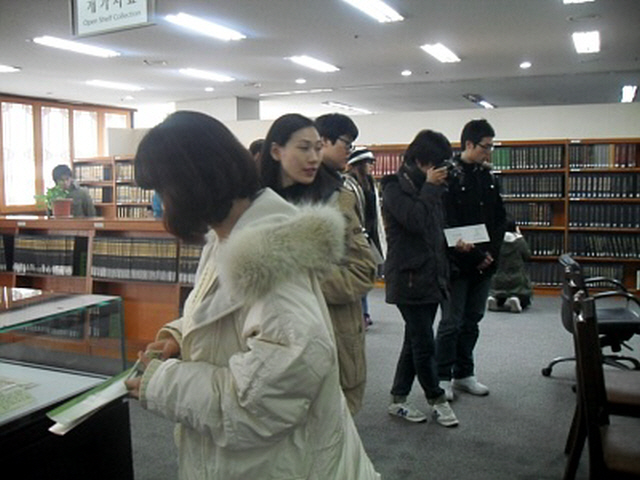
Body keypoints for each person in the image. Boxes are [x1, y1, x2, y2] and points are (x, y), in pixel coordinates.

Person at [124, 111, 380, 480]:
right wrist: (180, 337)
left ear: (191, 186)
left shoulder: (273, 268)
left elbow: (262, 404)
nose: (160, 205)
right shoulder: (227, 237)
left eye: (162, 191)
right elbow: (225, 313)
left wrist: (163, 384)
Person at [260, 113, 376, 415]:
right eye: (304, 148)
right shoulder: (252, 206)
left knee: (330, 429)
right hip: (271, 343)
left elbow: (363, 270)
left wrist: (297, 282)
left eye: (317, 148)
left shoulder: (337, 199)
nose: (313, 157)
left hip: (331, 335)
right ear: (276, 151)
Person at [381, 129, 459, 427]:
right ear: (421, 161)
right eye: (436, 163)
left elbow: (435, 227)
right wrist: (429, 187)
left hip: (432, 275)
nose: (440, 169)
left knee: (414, 341)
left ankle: (398, 399)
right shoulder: (393, 187)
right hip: (408, 279)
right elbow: (415, 221)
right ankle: (437, 400)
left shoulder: (433, 188)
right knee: (424, 343)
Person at [435, 119, 507, 402]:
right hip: (457, 261)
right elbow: (446, 222)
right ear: (468, 144)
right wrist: (476, 255)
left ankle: (464, 373)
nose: (488, 152)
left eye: (491, 147)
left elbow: (499, 219)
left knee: (472, 320)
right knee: (451, 323)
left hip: (484, 263)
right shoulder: (449, 175)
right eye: (485, 147)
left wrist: (491, 254)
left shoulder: (488, 177)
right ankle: (442, 377)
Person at [345, 148, 387, 328]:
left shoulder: (370, 184)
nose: (371, 166)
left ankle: (364, 312)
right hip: (357, 234)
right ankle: (362, 313)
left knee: (366, 274)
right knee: (357, 274)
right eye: (368, 163)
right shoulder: (348, 184)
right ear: (358, 165)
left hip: (370, 235)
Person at [487, 219, 533, 313]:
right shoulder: (519, 241)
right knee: (524, 294)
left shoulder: (497, 240)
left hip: (497, 278)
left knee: (500, 292)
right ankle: (516, 299)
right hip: (517, 278)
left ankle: (494, 299)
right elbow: (527, 256)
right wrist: (520, 235)